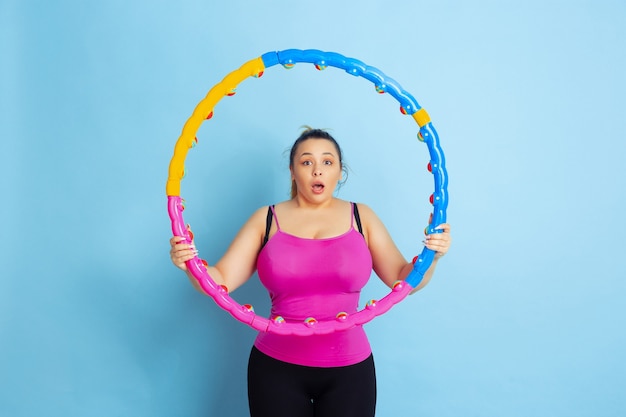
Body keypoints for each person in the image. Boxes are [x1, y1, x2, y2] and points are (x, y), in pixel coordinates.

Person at [169, 127, 451, 417]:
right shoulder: (266, 219)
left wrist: (434, 256)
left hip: (350, 370)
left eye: (327, 162)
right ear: (292, 171)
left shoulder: (361, 216)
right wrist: (190, 264)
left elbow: (403, 279)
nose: (317, 171)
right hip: (276, 368)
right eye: (307, 162)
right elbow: (219, 281)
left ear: (340, 171)